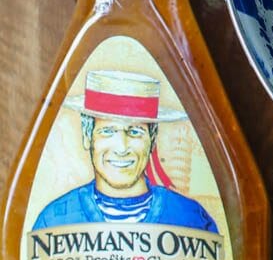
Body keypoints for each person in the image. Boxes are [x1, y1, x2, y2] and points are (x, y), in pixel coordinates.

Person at [32, 71, 217, 232]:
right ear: (87, 136)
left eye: (135, 132)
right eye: (108, 131)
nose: (121, 147)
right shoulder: (54, 220)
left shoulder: (192, 219)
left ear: (152, 139)